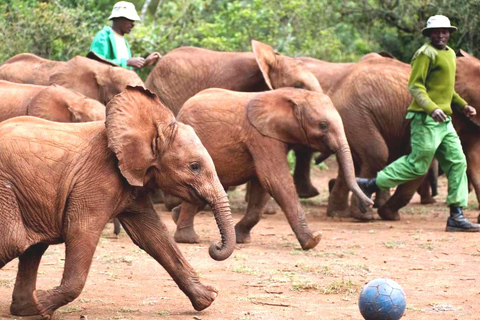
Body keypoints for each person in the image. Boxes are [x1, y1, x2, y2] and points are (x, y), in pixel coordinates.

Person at [357, 15, 480, 232]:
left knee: (458, 162)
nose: (440, 35)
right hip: (426, 120)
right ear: (429, 34)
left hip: (445, 122)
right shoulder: (425, 54)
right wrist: (432, 109)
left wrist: (463, 106)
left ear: (449, 33)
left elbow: (446, 89)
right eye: (436, 32)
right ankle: (370, 185)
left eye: (444, 31)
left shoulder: (450, 54)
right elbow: (415, 87)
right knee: (417, 165)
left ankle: (456, 215)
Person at [89, 1, 160, 70]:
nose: (133, 24)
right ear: (119, 18)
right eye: (130, 20)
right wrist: (126, 62)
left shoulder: (124, 41)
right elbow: (95, 65)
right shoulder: (103, 36)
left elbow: (124, 71)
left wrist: (144, 63)